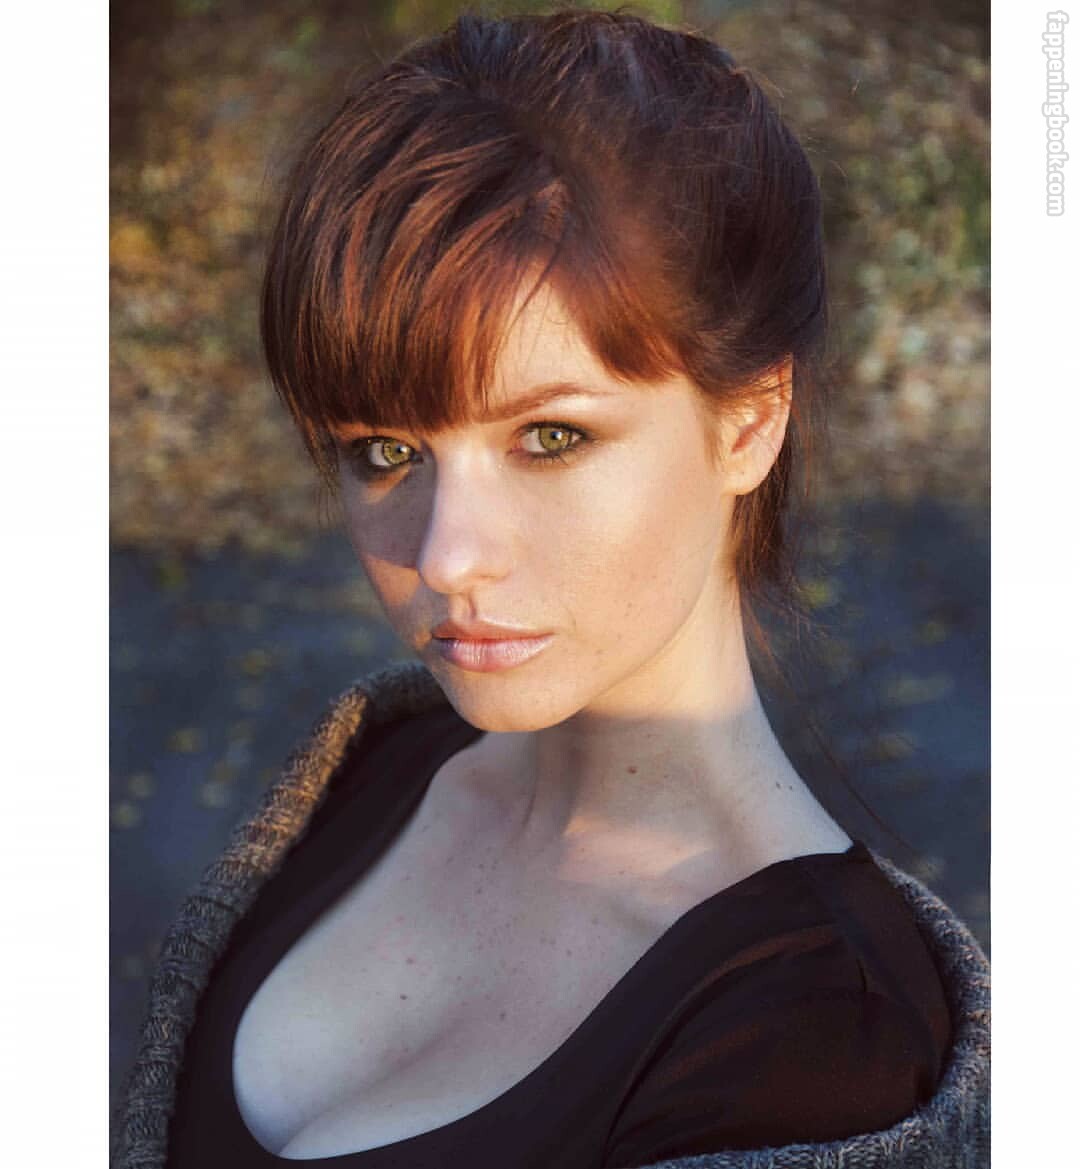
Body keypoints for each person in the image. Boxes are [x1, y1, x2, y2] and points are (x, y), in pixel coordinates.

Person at [113, 7, 989, 1168]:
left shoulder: (824, 1045)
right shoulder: (375, 761)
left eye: (552, 437)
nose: (446, 558)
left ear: (750, 419)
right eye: (386, 450)